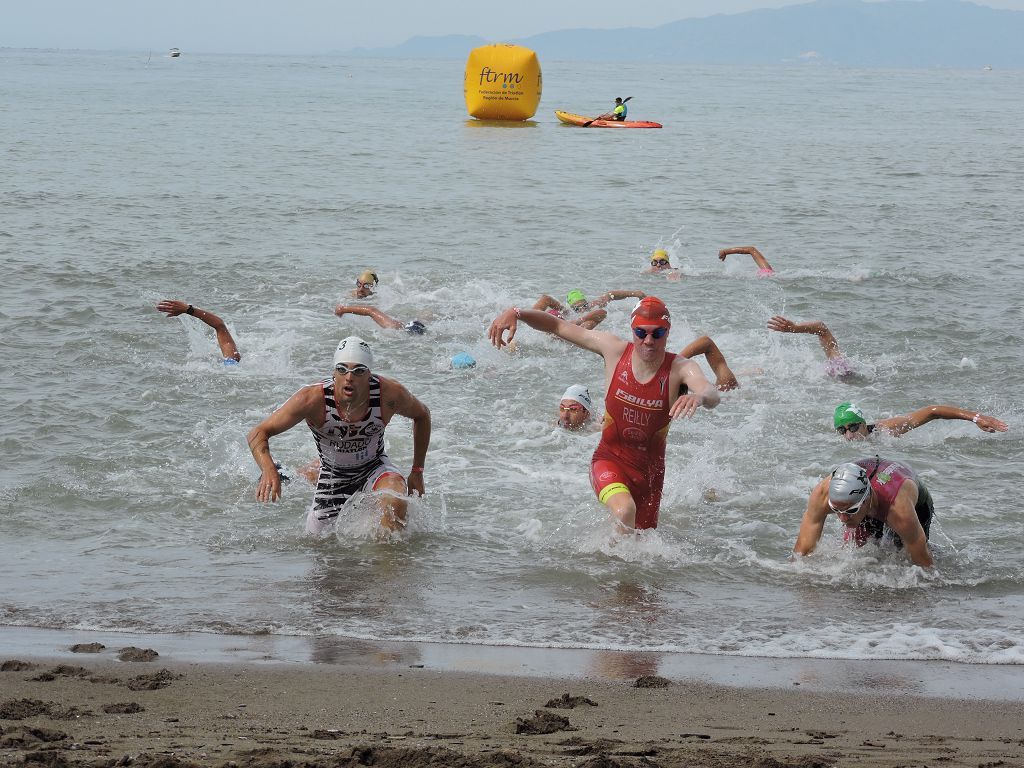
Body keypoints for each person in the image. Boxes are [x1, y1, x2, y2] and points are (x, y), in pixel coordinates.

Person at [488, 297, 720, 531]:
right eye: (641, 332)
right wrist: (517, 312)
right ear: (633, 331)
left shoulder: (680, 368)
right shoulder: (614, 350)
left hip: (651, 477)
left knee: (639, 549)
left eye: (657, 334)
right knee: (624, 511)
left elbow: (711, 393)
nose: (648, 341)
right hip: (609, 460)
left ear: (667, 333)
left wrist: (698, 397)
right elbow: (557, 326)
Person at [247, 336, 431, 534]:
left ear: (369, 375)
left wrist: (417, 471)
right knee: (320, 547)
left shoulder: (389, 394)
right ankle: (292, 474)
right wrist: (268, 469)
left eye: (358, 371)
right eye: (342, 369)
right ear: (334, 373)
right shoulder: (312, 399)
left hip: (374, 467)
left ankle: (387, 562)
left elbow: (422, 415)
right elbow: (258, 432)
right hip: (334, 475)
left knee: (395, 499)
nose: (349, 377)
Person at [794, 458, 935, 567]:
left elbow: (925, 567)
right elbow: (801, 555)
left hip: (915, 504)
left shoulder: (899, 509)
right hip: (870, 497)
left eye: (851, 510)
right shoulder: (822, 495)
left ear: (867, 499)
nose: (842, 518)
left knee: (903, 556)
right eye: (836, 510)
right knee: (859, 555)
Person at [833, 402, 1008, 440]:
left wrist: (976, 418)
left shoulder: (885, 430)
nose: (849, 435)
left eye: (853, 427)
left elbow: (933, 412)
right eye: (842, 430)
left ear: (863, 424)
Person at [767, 315, 854, 378]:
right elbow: (822, 329)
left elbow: (822, 329)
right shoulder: (840, 367)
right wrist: (795, 328)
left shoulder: (838, 367)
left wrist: (796, 328)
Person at [156, 299, 241, 364]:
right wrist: (188, 309)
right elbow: (220, 327)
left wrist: (188, 309)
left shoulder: (232, 365)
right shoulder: (233, 366)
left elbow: (220, 326)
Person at [533, 289, 646, 330]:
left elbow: (610, 295)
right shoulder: (566, 313)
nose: (582, 309)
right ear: (571, 308)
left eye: (584, 306)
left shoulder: (593, 306)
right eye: (577, 308)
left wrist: (636, 293)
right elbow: (545, 298)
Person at [334, 304, 426, 335]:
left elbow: (371, 310)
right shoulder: (394, 327)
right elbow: (371, 310)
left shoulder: (395, 328)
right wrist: (344, 309)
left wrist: (344, 309)